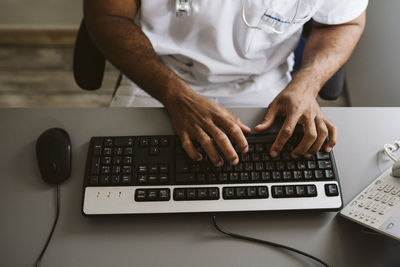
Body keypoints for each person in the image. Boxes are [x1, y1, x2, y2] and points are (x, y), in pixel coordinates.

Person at [84, 0, 367, 166]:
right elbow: (107, 15)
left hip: (267, 83)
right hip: (161, 77)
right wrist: (175, 95)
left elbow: (343, 22)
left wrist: (307, 84)